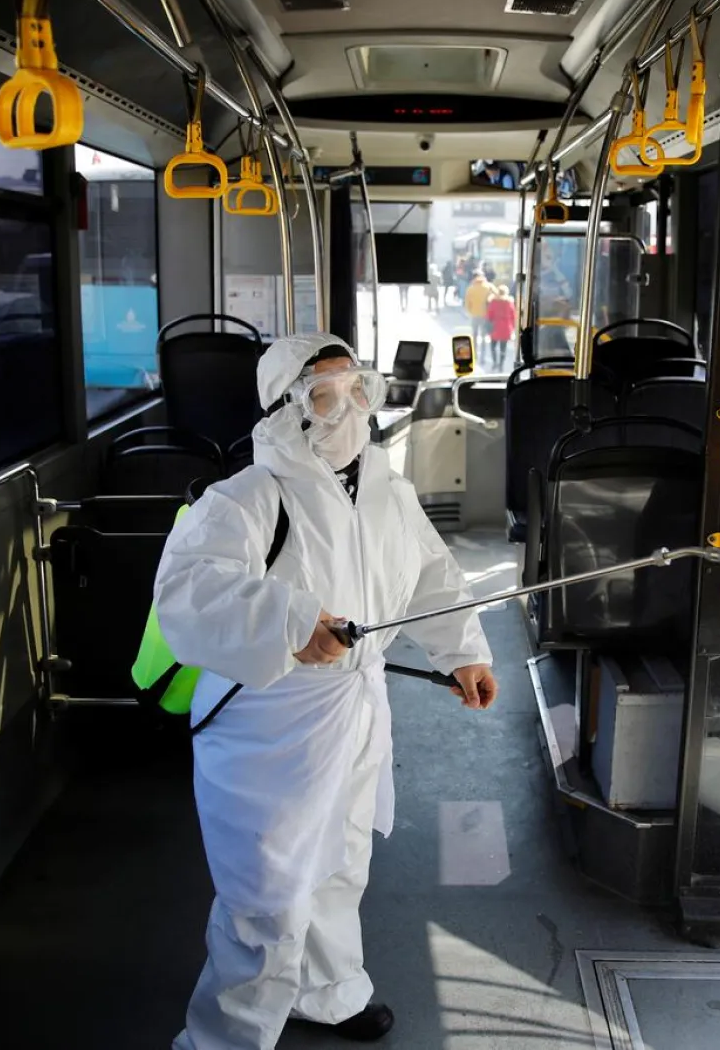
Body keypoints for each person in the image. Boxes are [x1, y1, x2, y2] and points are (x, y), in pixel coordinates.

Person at [155, 332, 498, 1050]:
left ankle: (329, 990)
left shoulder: (385, 488)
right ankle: (224, 1038)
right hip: (268, 724)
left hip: (354, 709)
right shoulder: (249, 496)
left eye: (356, 389)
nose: (346, 409)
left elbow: (431, 569)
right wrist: (291, 622)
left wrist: (462, 650)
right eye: (323, 394)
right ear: (286, 408)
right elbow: (188, 594)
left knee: (343, 861)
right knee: (267, 889)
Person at [485, 284, 516, 372]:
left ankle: (495, 362)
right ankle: (501, 365)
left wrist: (488, 325)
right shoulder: (509, 302)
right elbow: (513, 316)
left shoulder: (493, 302)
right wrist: (513, 328)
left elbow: (489, 315)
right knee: (503, 348)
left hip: (495, 327)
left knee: (493, 346)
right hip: (506, 328)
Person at [464, 271, 493, 350]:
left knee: (475, 335)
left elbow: (467, 303)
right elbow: (495, 297)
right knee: (483, 336)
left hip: (474, 315)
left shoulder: (471, 288)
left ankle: (475, 353)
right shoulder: (489, 287)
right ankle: (482, 356)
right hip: (485, 315)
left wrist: (470, 312)